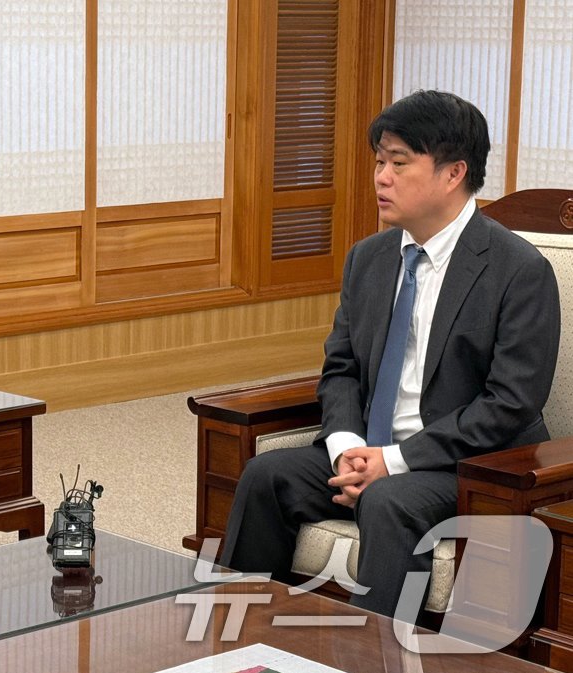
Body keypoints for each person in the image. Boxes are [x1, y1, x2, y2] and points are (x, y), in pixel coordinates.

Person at [218, 90, 561, 618]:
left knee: (387, 500)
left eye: (399, 163)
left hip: (468, 467)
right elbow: (341, 370)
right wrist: (349, 448)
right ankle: (243, 637)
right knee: (267, 477)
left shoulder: (518, 270)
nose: (381, 176)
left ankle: (374, 657)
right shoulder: (369, 259)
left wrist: (394, 462)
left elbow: (511, 402)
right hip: (369, 451)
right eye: (380, 161)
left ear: (453, 174)